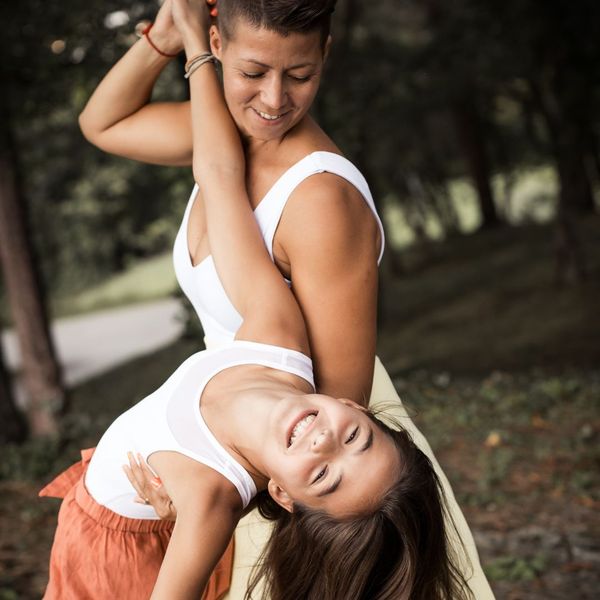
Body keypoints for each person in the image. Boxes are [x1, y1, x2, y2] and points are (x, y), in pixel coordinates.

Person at [41, 2, 473, 598]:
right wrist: (167, 36)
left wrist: (213, 493)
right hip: (241, 412)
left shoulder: (319, 199)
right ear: (219, 43)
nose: (274, 100)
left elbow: (338, 401)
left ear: (325, 54)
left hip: (290, 477)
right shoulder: (230, 132)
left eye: (300, 75)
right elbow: (105, 125)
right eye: (252, 72)